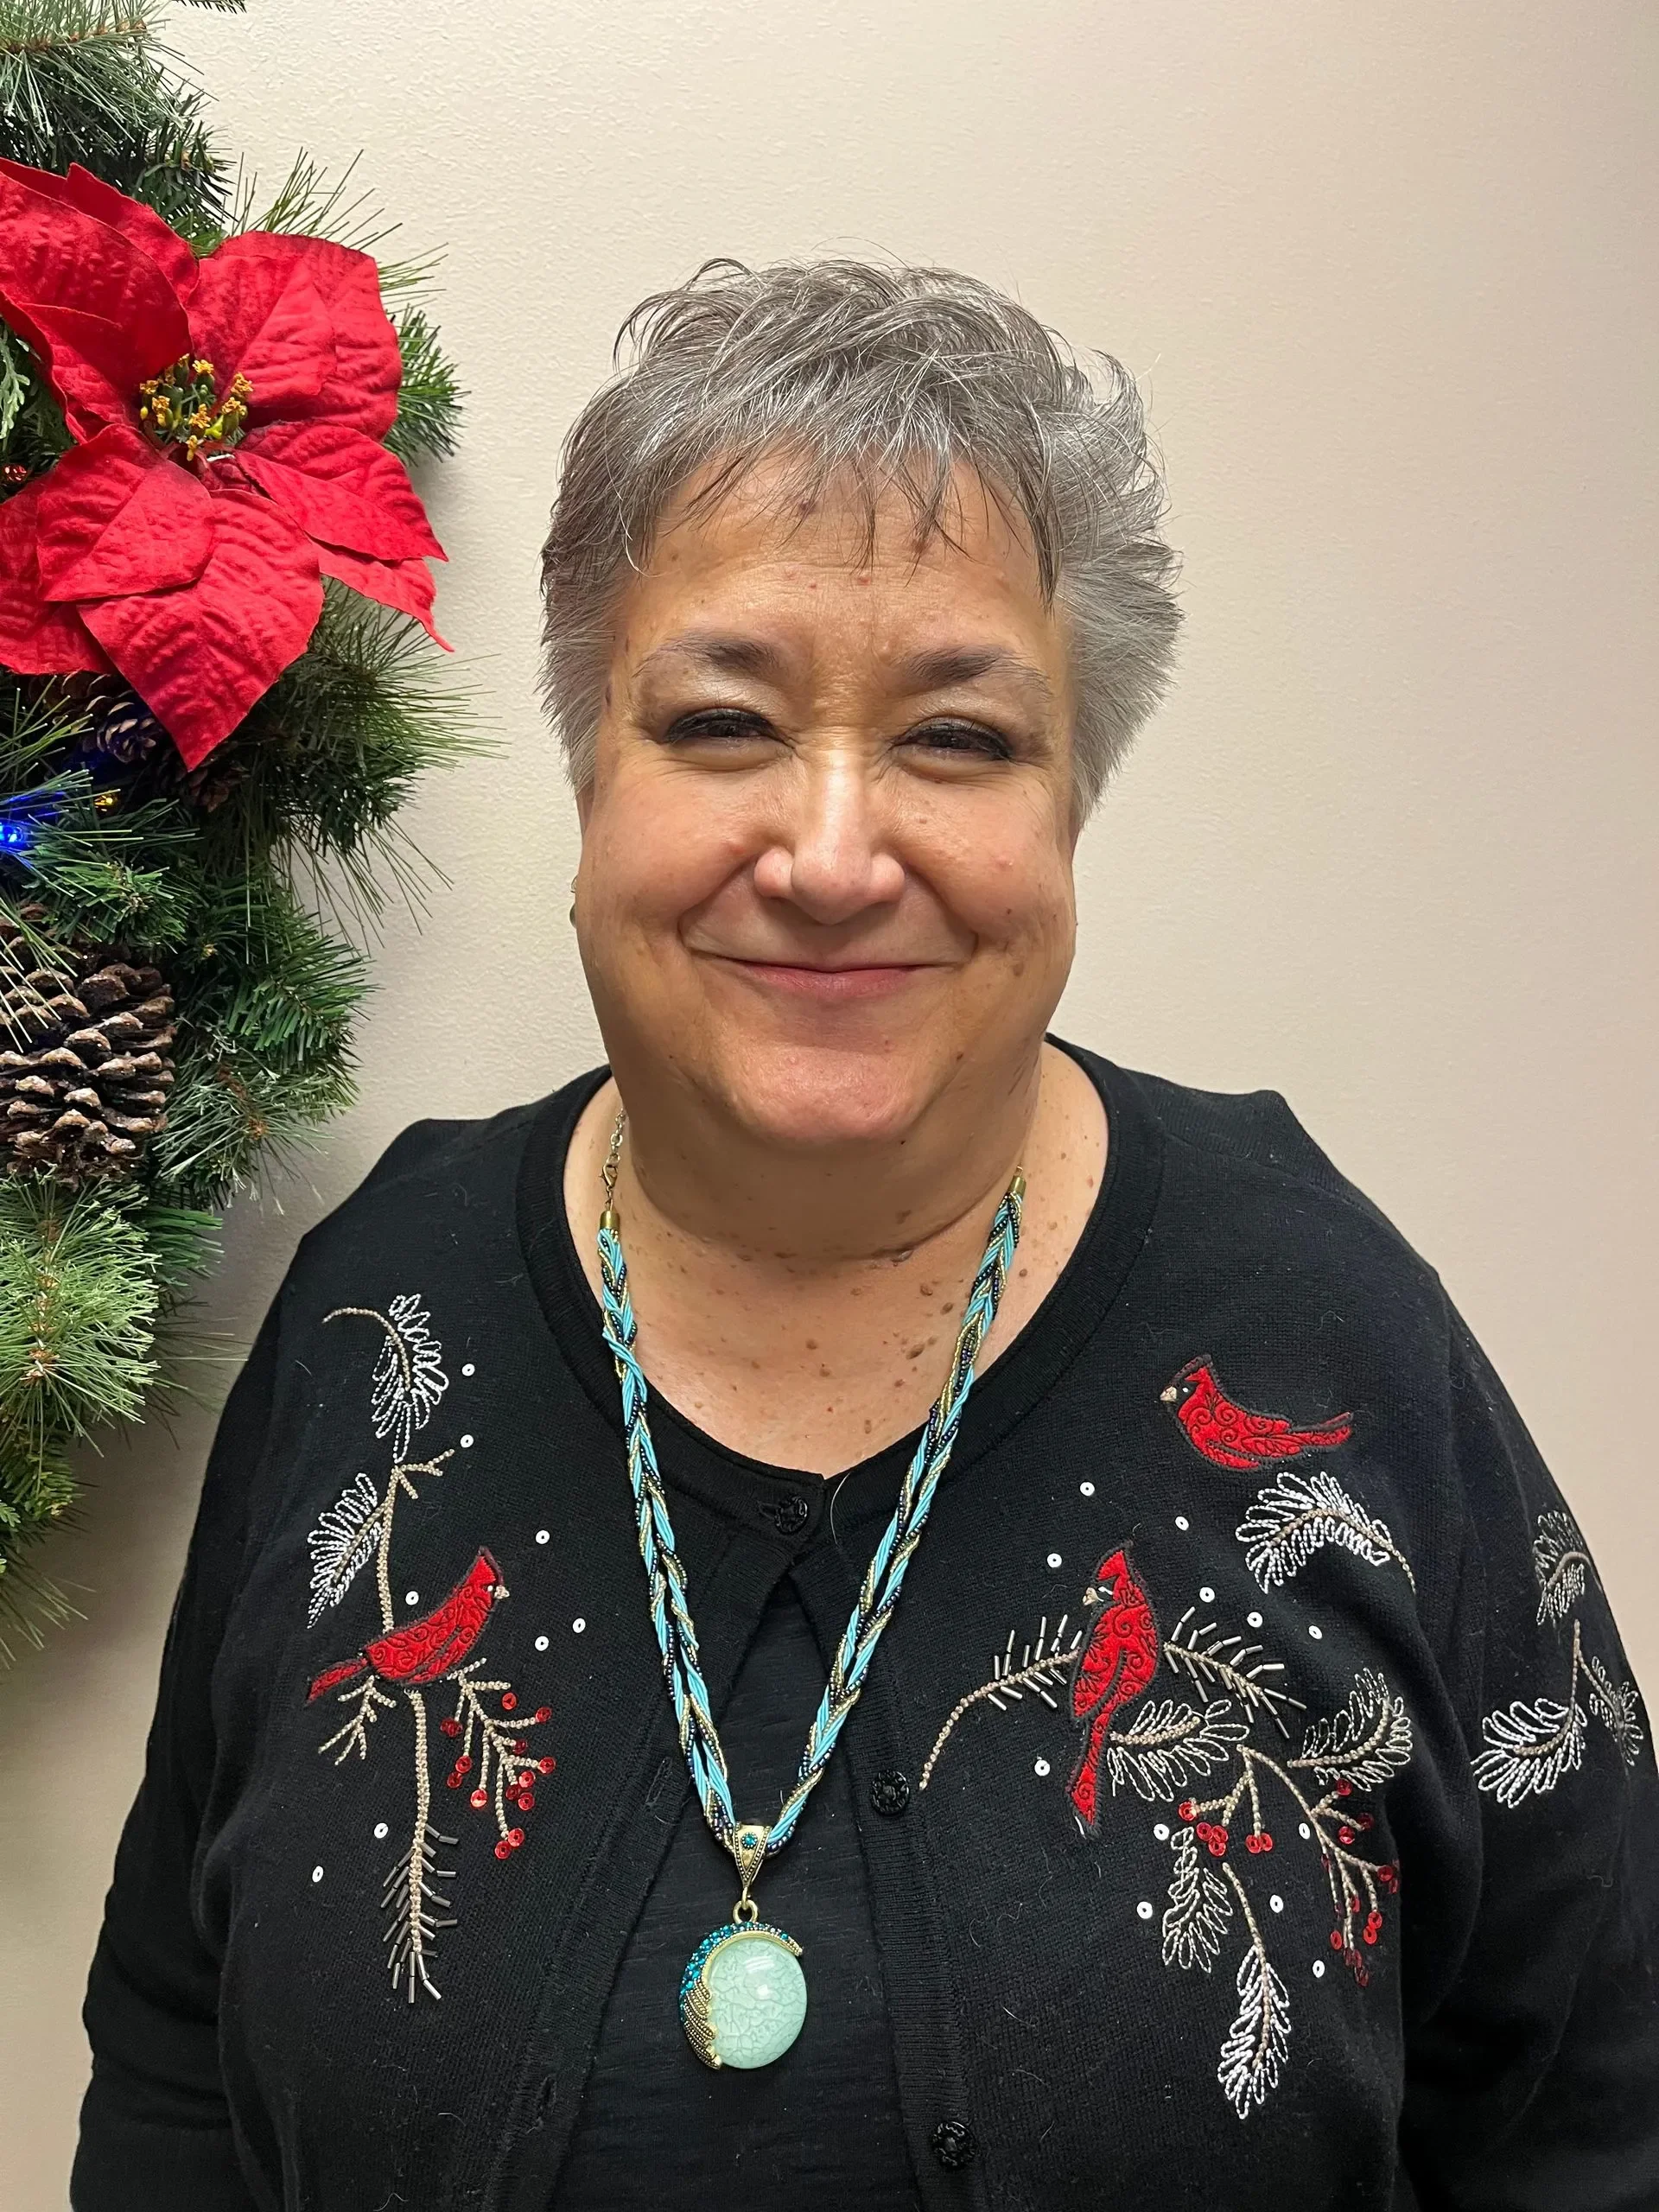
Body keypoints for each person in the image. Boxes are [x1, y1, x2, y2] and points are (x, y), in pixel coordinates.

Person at [72, 259, 1657, 2212]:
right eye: (725, 720)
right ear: (590, 777)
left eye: (960, 739)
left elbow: (1597, 2107)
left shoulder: (1334, 1340)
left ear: (1075, 801)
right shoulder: (376, 1314)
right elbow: (173, 2066)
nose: (832, 855)